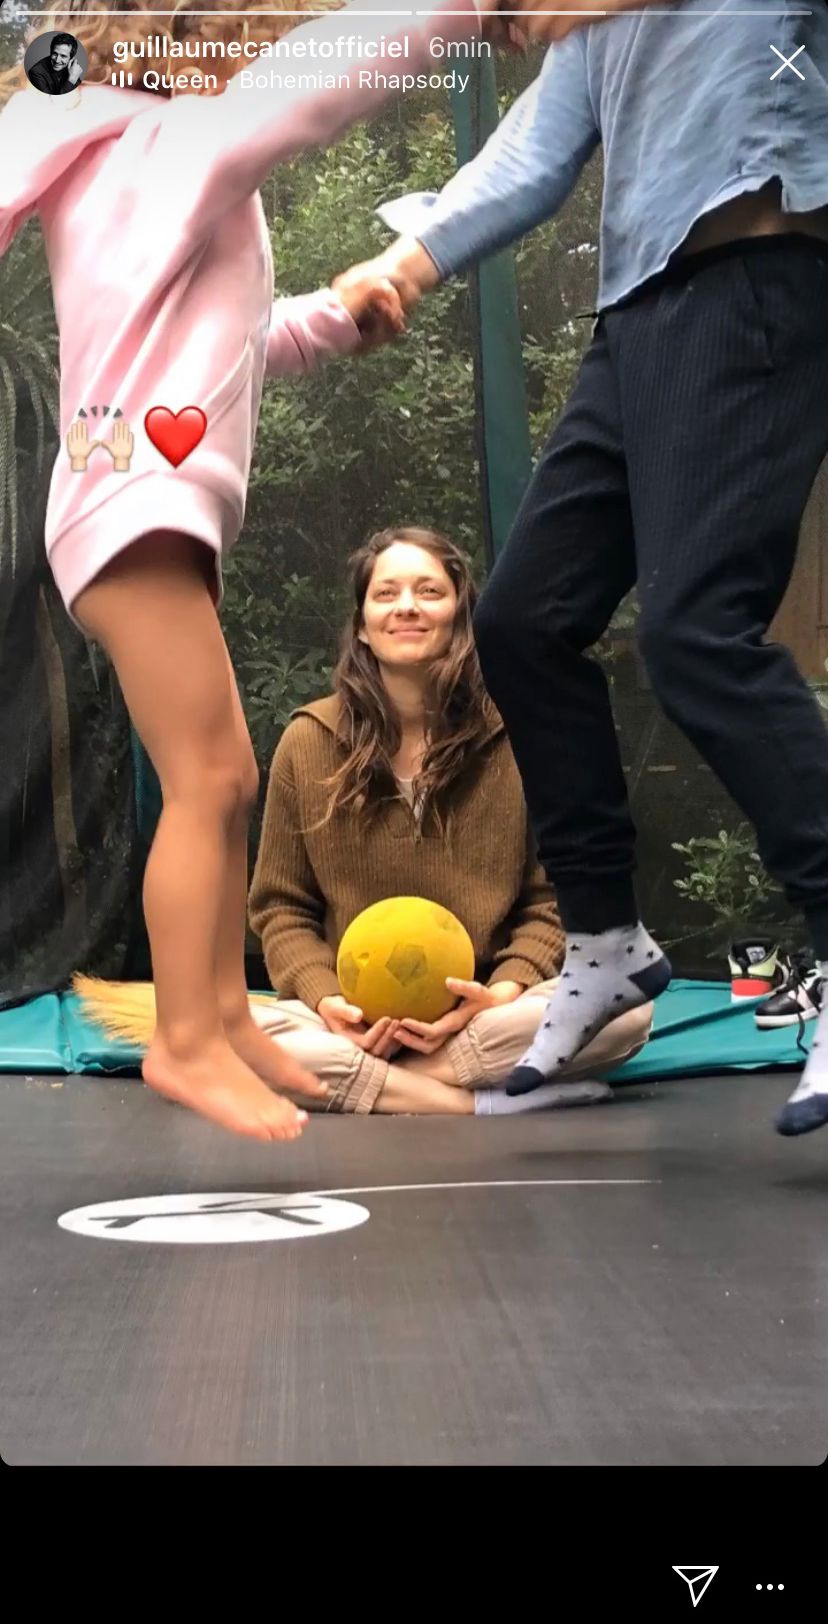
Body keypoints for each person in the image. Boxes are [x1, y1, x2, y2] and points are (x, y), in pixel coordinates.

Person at [0, 0, 530, 1144]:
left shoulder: (152, 173)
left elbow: (240, 337)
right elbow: (310, 94)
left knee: (223, 782)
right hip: (128, 504)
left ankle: (225, 1017)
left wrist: (341, 318)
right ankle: (188, 1040)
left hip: (144, 502)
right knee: (210, 783)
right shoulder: (158, 138)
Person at [334, 0, 828, 1135]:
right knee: (519, 621)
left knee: (696, 631)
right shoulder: (599, 32)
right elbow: (533, 151)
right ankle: (605, 939)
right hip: (636, 318)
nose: (515, 25)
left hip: (759, 279)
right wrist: (408, 262)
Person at [247, 527, 652, 1115]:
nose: (407, 606)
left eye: (429, 591)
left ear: (461, 614)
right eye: (386, 594)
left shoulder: (520, 735)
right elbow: (280, 909)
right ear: (361, 624)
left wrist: (502, 990)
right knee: (219, 1035)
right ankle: (475, 1103)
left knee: (628, 1006)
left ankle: (398, 1083)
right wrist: (327, 1000)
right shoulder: (306, 741)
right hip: (348, 1021)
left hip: (486, 1014)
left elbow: (555, 899)